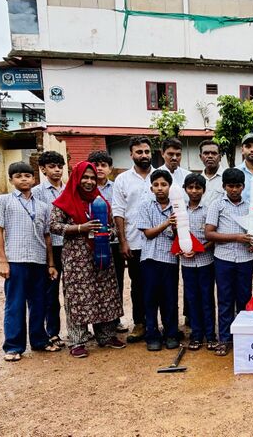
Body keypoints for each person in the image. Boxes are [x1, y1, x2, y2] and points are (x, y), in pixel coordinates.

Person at [50, 161, 125, 358]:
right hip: (77, 259)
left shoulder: (100, 201)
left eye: (92, 178)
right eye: (85, 177)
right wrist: (79, 228)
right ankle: (78, 340)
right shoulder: (65, 201)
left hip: (101, 255)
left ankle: (106, 336)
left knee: (104, 294)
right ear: (77, 178)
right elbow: (54, 226)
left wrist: (110, 233)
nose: (89, 181)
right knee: (78, 297)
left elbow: (113, 227)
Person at [0, 162, 62, 362]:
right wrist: (2, 260)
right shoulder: (4, 201)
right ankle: (14, 346)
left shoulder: (42, 206)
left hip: (38, 260)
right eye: (18, 176)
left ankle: (39, 341)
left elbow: (47, 236)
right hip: (16, 260)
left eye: (27, 176)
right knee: (15, 304)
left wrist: (50, 264)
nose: (23, 179)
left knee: (39, 303)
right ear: (11, 180)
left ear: (34, 179)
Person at [205, 168, 253, 356]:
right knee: (225, 299)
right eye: (230, 186)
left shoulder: (251, 206)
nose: (234, 190)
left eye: (237, 186)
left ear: (243, 186)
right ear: (224, 186)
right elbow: (208, 233)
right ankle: (224, 339)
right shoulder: (217, 205)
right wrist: (236, 237)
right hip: (223, 258)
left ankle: (242, 338)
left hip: (245, 259)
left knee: (244, 298)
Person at [112, 136, 155, 343]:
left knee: (160, 284)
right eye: (139, 152)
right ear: (131, 154)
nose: (144, 155)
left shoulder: (160, 175)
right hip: (135, 242)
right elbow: (118, 212)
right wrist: (123, 241)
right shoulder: (122, 180)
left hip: (159, 243)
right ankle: (140, 323)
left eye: (147, 151)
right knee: (138, 284)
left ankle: (159, 323)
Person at [135, 170, 181, 351]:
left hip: (169, 259)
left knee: (169, 298)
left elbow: (180, 235)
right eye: (156, 185)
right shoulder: (145, 206)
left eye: (164, 185)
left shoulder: (177, 207)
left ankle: (171, 334)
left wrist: (177, 227)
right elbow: (148, 233)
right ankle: (152, 335)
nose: (160, 188)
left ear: (170, 187)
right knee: (150, 298)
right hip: (149, 259)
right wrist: (167, 223)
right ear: (151, 188)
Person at [87, 150, 128, 333]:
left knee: (115, 281)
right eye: (96, 165)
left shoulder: (116, 188)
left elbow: (121, 214)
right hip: (91, 244)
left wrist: (120, 239)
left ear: (110, 168)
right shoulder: (86, 188)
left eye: (104, 165)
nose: (100, 169)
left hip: (113, 242)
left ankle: (115, 319)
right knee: (93, 283)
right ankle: (94, 320)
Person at [31, 151, 66, 347]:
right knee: (50, 293)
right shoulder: (36, 193)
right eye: (52, 166)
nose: (57, 170)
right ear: (43, 169)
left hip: (68, 247)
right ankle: (52, 332)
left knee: (71, 291)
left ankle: (78, 332)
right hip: (49, 248)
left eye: (60, 166)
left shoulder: (68, 190)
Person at [179, 173, 218, 351]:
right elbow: (176, 234)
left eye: (198, 188)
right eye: (190, 188)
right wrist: (180, 248)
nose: (194, 191)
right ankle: (196, 335)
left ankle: (210, 335)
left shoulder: (209, 209)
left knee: (207, 298)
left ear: (203, 190)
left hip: (206, 261)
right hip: (186, 263)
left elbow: (213, 237)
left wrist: (200, 248)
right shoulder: (180, 210)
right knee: (192, 298)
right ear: (185, 189)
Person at [198, 139, 225, 207]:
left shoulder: (227, 178)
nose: (210, 156)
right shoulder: (197, 180)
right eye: (206, 153)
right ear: (201, 157)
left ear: (220, 157)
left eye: (214, 153)